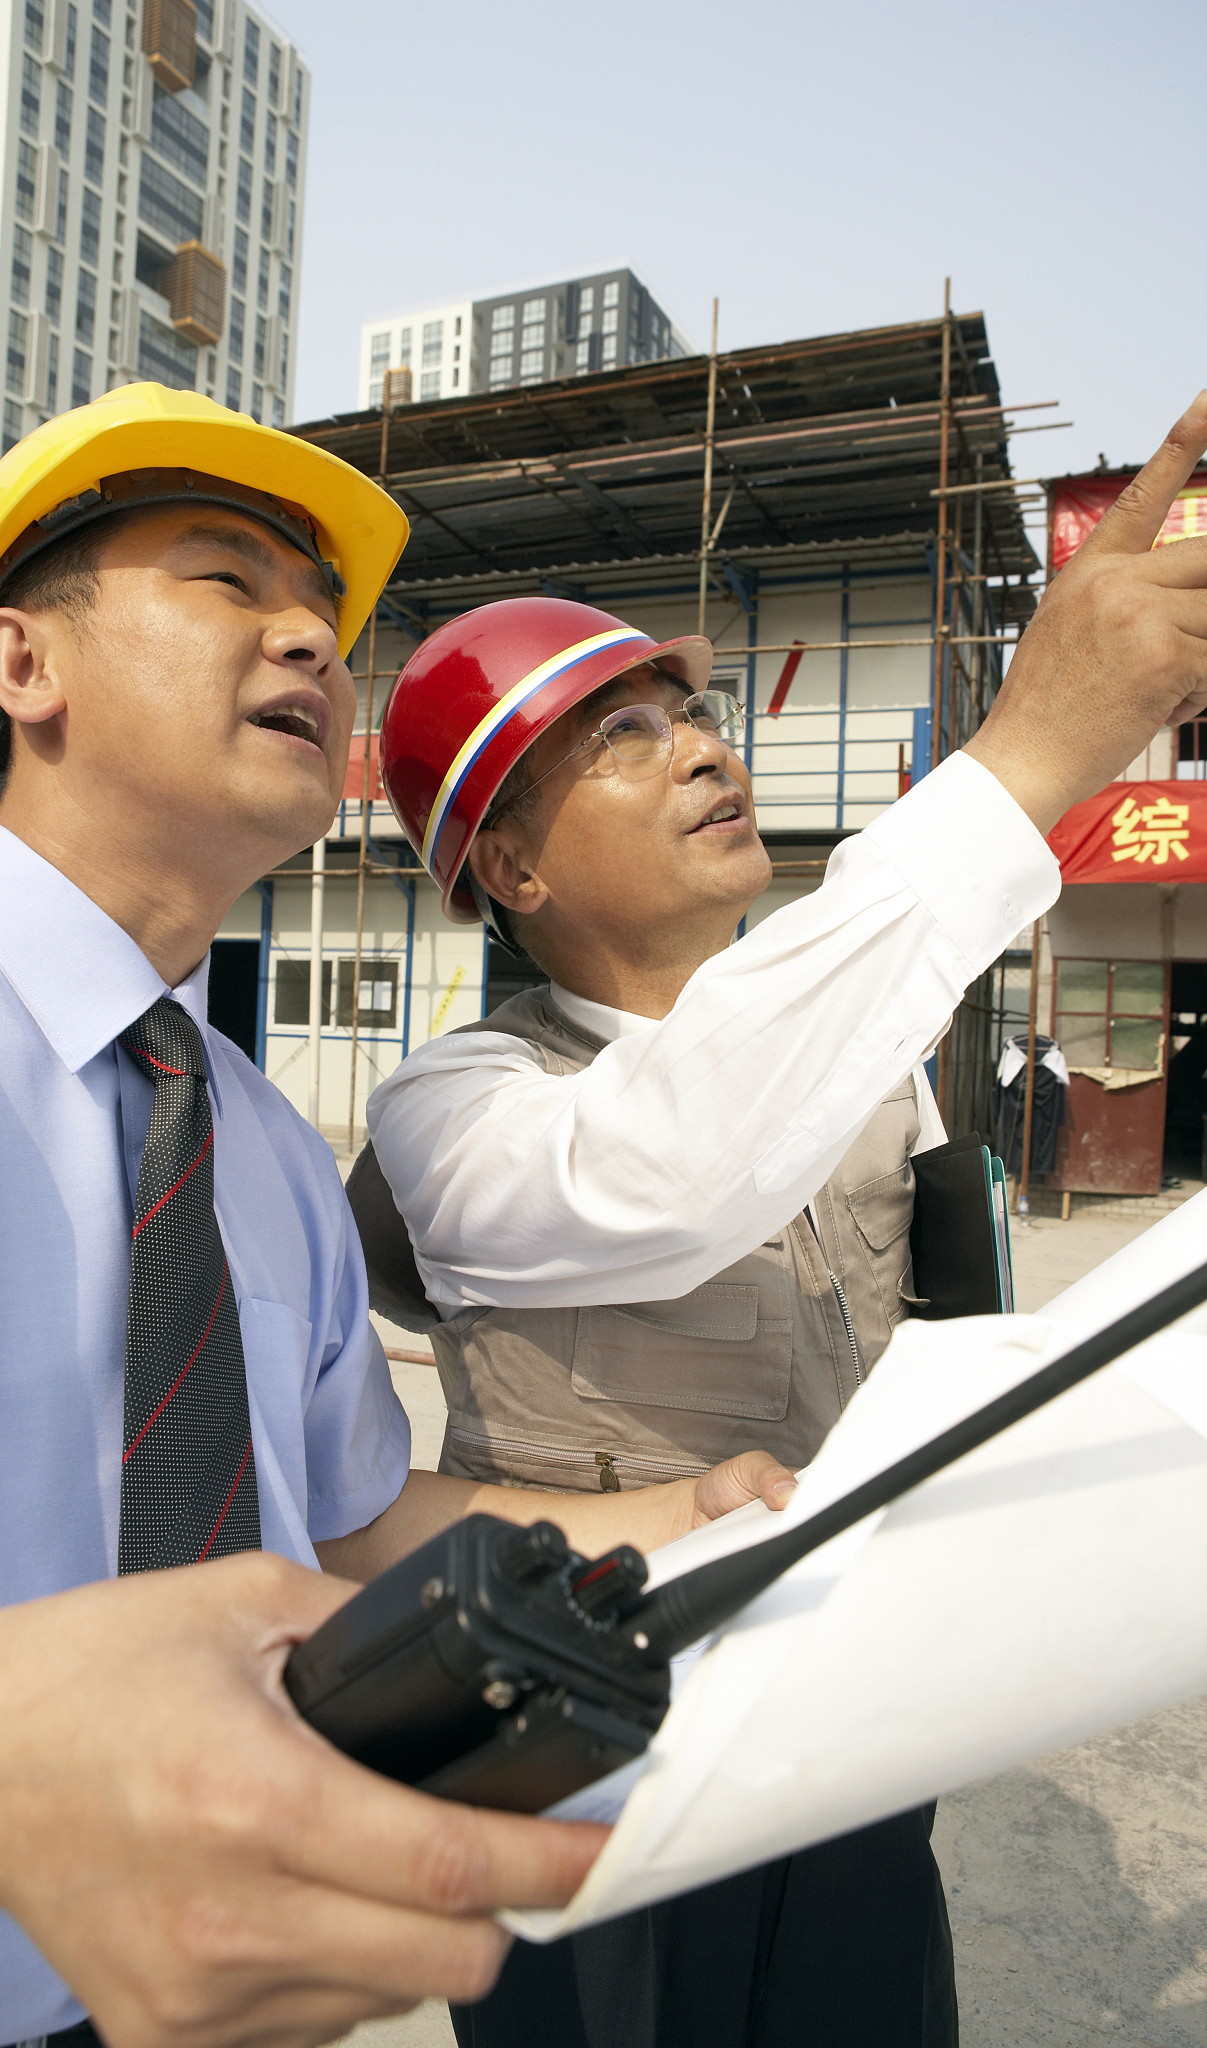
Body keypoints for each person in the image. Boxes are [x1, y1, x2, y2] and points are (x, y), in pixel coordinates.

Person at [0, 384, 800, 2048]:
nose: (307, 639)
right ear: (24, 666)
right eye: (228, 581)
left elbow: (343, 1521)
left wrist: (681, 1510)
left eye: (326, 620)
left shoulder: (261, 1145)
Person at [359, 395, 1207, 2047]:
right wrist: (1033, 748)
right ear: (509, 869)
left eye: (693, 708)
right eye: (618, 735)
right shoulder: (449, 1113)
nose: (701, 744)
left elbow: (959, 1353)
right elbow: (668, 1174)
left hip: (844, 1732)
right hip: (588, 1754)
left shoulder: (880, 1074)